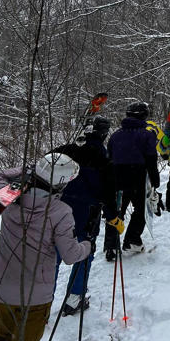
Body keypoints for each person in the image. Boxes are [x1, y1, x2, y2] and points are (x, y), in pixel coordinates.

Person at [0, 153, 91, 341]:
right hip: (34, 298)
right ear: (61, 184)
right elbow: (71, 255)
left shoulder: (8, 196)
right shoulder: (60, 212)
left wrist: (27, 170)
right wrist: (88, 245)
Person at [53, 116, 118, 314]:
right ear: (104, 133)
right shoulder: (104, 158)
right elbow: (108, 193)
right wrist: (113, 217)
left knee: (52, 254)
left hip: (58, 212)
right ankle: (74, 299)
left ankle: (43, 301)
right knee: (83, 253)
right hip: (86, 215)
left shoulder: (66, 150)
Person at [107, 101, 160, 253]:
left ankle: (110, 246)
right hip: (138, 177)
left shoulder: (115, 135)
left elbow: (109, 158)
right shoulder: (147, 135)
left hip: (117, 176)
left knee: (117, 210)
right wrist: (155, 182)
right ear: (144, 116)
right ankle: (132, 240)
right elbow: (151, 160)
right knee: (142, 209)